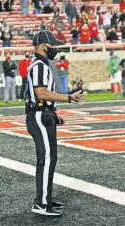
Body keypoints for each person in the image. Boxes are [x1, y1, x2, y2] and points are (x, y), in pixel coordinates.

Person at [26, 30, 86, 216]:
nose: (55, 48)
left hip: (43, 114)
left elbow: (43, 97)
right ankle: (41, 203)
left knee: (50, 159)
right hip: (38, 115)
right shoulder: (39, 65)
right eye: (53, 45)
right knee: (46, 159)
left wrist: (53, 112)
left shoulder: (41, 64)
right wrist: (68, 98)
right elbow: (41, 93)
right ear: (43, 46)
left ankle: (46, 199)